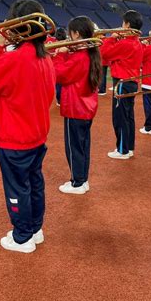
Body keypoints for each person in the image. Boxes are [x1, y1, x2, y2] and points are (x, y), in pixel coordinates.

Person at [0, 0, 56, 253]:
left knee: (18, 188)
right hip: (36, 134)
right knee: (34, 183)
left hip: (15, 137)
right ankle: (34, 229)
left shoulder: (17, 59)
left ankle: (22, 237)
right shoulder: (46, 58)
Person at [52, 16, 101, 194]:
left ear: (77, 34)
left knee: (73, 148)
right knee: (82, 147)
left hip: (76, 108)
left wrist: (61, 54)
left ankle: (77, 182)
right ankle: (82, 179)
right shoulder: (89, 53)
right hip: (85, 108)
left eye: (70, 33)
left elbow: (59, 74)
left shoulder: (80, 56)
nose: (68, 36)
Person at [100, 10, 143, 160]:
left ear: (128, 24)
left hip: (122, 83)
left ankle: (122, 150)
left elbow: (104, 54)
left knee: (120, 118)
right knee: (128, 117)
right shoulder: (136, 42)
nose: (121, 26)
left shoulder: (126, 43)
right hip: (130, 82)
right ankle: (128, 147)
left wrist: (111, 39)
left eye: (123, 23)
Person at [53, 27, 67, 106]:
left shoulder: (53, 43)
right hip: (65, 68)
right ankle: (62, 100)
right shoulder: (68, 44)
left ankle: (59, 100)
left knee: (58, 87)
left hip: (57, 69)